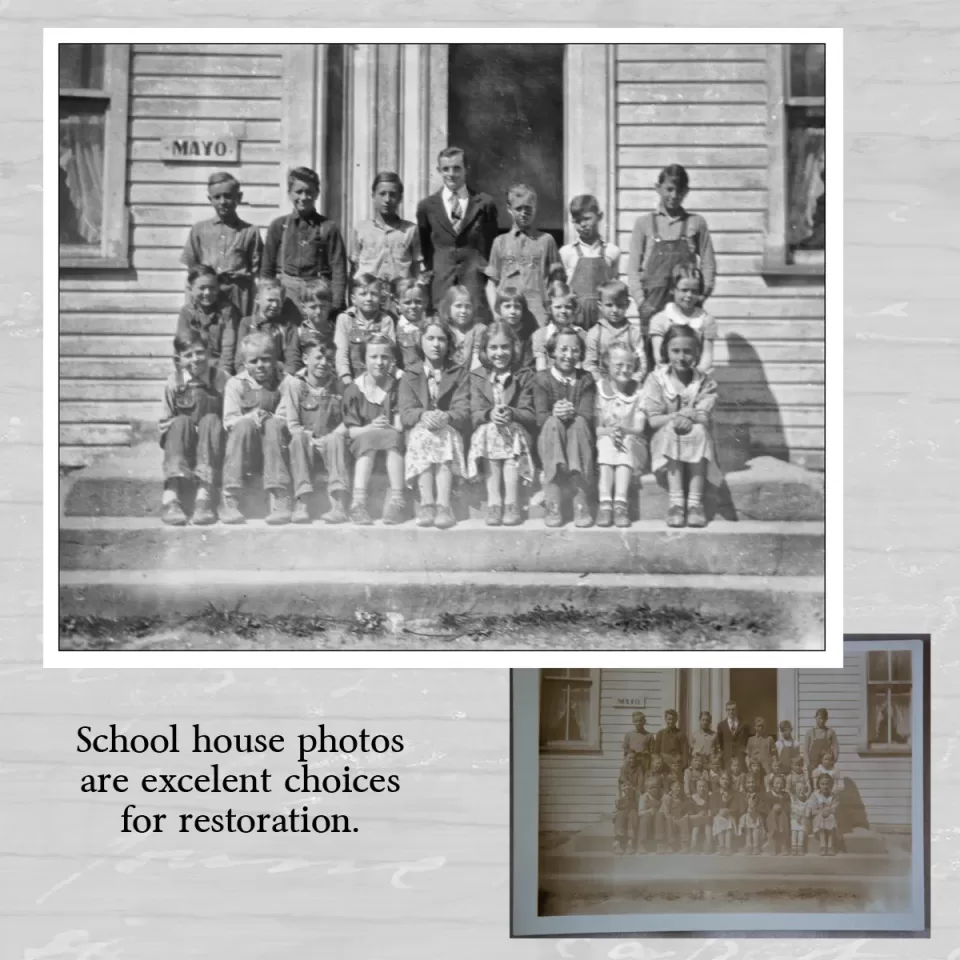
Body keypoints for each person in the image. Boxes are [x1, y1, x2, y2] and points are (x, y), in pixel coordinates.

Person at [627, 162, 716, 373]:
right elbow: (633, 269)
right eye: (669, 189)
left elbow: (708, 263)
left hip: (685, 303)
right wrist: (641, 302)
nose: (674, 195)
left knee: (685, 359)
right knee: (653, 363)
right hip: (653, 303)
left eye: (679, 190)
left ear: (686, 192)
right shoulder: (644, 223)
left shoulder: (696, 223)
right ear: (658, 188)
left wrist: (700, 296)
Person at [642, 325, 718, 529]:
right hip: (665, 444)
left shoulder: (703, 382)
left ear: (697, 353)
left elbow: (704, 417)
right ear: (666, 350)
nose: (682, 357)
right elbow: (653, 420)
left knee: (700, 430)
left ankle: (695, 503)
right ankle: (676, 503)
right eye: (676, 351)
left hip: (695, 439)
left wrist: (692, 416)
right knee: (672, 430)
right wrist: (678, 415)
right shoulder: (656, 380)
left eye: (688, 351)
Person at [399, 319, 471, 530]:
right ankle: (427, 502)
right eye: (430, 338)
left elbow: (463, 409)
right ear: (420, 341)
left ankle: (444, 505)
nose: (436, 344)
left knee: (443, 433)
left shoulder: (458, 373)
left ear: (449, 343)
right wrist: (422, 416)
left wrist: (447, 416)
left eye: (441, 339)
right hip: (420, 433)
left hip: (449, 431)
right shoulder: (410, 374)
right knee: (425, 434)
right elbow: (405, 412)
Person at [416, 146, 498, 319]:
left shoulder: (484, 203)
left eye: (456, 168)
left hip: (473, 283)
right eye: (446, 169)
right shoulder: (427, 206)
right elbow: (426, 247)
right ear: (439, 170)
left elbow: (490, 245)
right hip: (441, 282)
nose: (451, 174)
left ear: (466, 169)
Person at [467, 322, 536, 527]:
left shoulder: (523, 375)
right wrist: (490, 414)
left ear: (514, 347)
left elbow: (530, 414)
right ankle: (495, 501)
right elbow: (474, 414)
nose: (499, 353)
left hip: (517, 435)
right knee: (490, 431)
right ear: (485, 350)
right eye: (493, 348)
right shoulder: (478, 376)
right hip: (488, 436)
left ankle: (511, 502)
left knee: (507, 432)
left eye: (505, 347)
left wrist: (512, 413)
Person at [220, 332, 291, 525]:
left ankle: (280, 496)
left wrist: (270, 418)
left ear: (276, 359)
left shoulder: (286, 383)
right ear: (244, 363)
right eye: (254, 361)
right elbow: (229, 421)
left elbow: (287, 417)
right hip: (247, 451)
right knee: (242, 424)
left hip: (276, 450)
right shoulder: (236, 384)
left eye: (266, 360)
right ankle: (230, 496)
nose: (260, 365)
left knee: (275, 424)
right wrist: (251, 418)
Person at [277, 339, 350, 525]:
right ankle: (302, 502)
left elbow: (347, 421)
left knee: (337, 438)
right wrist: (311, 439)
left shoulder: (339, 386)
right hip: (305, 445)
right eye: (318, 357)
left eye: (329, 358)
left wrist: (330, 437)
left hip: (331, 446)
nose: (324, 363)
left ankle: (338, 505)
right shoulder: (295, 385)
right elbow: (292, 424)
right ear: (305, 358)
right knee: (298, 437)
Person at [261, 166, 348, 321]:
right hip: (287, 294)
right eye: (298, 192)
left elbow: (338, 270)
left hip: (318, 296)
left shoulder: (328, 227)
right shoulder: (278, 226)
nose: (304, 197)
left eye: (309, 192)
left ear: (317, 194)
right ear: (289, 193)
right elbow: (267, 271)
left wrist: (336, 306)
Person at [158, 331, 225, 526]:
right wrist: (185, 430)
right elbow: (164, 423)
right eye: (188, 355)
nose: (195, 359)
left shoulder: (220, 378)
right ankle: (171, 497)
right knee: (180, 422)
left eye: (200, 353)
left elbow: (229, 416)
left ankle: (203, 498)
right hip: (182, 445)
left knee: (212, 420)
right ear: (178, 359)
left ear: (209, 352)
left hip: (210, 445)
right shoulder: (174, 381)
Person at [533, 329, 596, 528]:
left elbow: (586, 415)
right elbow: (540, 417)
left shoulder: (586, 379)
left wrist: (569, 411)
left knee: (578, 423)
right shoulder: (541, 379)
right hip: (551, 438)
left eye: (575, 350)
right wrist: (555, 412)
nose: (569, 356)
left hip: (579, 438)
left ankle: (580, 499)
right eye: (563, 349)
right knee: (552, 423)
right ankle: (553, 499)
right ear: (552, 351)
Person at [341, 334, 405, 525]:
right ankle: (358, 504)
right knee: (368, 439)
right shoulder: (354, 390)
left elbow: (399, 425)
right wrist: (370, 428)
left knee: (393, 437)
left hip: (390, 441)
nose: (379, 362)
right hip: (362, 444)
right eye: (373, 357)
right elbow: (351, 431)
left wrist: (386, 427)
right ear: (364, 360)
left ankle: (397, 501)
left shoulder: (398, 386)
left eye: (385, 357)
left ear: (392, 360)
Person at [180, 171, 263, 319]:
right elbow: (192, 272)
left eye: (228, 196)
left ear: (239, 197)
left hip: (239, 296)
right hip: (208, 295)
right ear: (210, 199)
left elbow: (257, 272)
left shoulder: (250, 231)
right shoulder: (199, 230)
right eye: (217, 197)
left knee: (238, 335)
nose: (223, 201)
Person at [485, 183, 561, 328]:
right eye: (518, 208)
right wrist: (497, 314)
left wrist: (551, 312)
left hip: (538, 315)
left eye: (528, 208)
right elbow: (491, 284)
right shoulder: (500, 242)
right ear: (509, 209)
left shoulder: (546, 241)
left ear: (535, 208)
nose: (524, 212)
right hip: (508, 313)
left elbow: (556, 283)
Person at [594, 343, 648, 528]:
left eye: (629, 366)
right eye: (619, 365)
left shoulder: (639, 390)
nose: (625, 370)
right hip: (605, 443)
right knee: (608, 443)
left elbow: (639, 428)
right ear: (607, 363)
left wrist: (623, 431)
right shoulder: (599, 389)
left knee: (625, 441)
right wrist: (611, 433)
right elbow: (596, 428)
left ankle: (620, 504)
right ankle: (605, 504)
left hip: (633, 444)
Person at [560, 193, 621, 331]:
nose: (583, 224)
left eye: (587, 219)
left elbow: (615, 289)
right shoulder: (566, 252)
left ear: (600, 216)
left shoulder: (612, 251)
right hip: (576, 320)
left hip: (604, 319)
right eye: (577, 220)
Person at [350, 171, 421, 286]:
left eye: (392, 194)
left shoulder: (411, 230)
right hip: (369, 294)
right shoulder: (361, 229)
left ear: (400, 198)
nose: (387, 200)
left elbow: (417, 268)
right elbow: (354, 267)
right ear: (373, 196)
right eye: (382, 194)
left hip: (400, 295)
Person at [649, 264, 718, 375]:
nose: (689, 295)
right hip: (666, 376)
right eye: (684, 290)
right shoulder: (660, 320)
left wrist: (694, 378)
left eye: (694, 291)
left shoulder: (706, 320)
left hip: (697, 376)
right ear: (673, 290)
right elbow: (659, 358)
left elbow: (707, 358)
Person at [175, 265, 240, 375]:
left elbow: (228, 348)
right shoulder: (186, 313)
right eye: (202, 288)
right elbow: (182, 347)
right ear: (191, 289)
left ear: (218, 288)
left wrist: (224, 374)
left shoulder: (227, 312)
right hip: (194, 368)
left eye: (212, 288)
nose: (207, 293)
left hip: (220, 370)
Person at [334, 273, 397, 385]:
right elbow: (341, 353)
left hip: (379, 381)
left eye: (374, 294)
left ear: (380, 297)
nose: (369, 298)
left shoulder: (386, 320)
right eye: (363, 294)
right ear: (353, 298)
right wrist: (347, 379)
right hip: (351, 380)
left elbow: (391, 356)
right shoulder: (345, 319)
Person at [235, 279, 301, 376]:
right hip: (252, 376)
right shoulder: (247, 323)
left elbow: (293, 358)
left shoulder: (288, 326)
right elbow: (240, 359)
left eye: (278, 301)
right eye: (270, 300)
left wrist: (285, 376)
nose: (274, 305)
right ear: (257, 299)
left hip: (279, 376)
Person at [584, 280, 645, 383]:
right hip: (602, 387)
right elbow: (589, 364)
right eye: (609, 305)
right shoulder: (595, 333)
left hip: (628, 385)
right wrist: (601, 383)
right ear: (600, 305)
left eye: (620, 305)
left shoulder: (633, 334)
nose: (615, 310)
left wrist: (633, 382)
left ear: (628, 305)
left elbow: (642, 363)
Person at [532, 281, 587, 372]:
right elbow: (541, 368)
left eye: (568, 307)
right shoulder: (542, 335)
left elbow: (580, 366)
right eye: (558, 307)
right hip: (549, 382)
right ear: (549, 308)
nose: (563, 311)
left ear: (574, 309)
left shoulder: (581, 334)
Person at [438, 285, 483, 372]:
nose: (463, 311)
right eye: (458, 306)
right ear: (448, 308)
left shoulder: (479, 330)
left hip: (472, 375)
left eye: (467, 306)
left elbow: (477, 361)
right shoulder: (443, 329)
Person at [494, 286, 538, 372]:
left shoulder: (527, 334)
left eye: (517, 307)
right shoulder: (495, 332)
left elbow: (529, 362)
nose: (513, 311)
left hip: (523, 375)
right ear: (499, 309)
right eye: (507, 306)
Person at [393, 278, 429, 371]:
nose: (413, 306)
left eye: (418, 301)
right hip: (406, 379)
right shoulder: (395, 329)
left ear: (426, 302)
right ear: (398, 304)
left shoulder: (430, 326)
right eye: (407, 302)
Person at [613, 752, 643, 855]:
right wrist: (628, 788)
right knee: (621, 815)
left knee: (633, 815)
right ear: (626, 759)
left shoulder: (639, 770)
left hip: (634, 800)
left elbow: (640, 786)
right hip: (624, 800)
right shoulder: (623, 769)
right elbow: (623, 782)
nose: (632, 760)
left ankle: (630, 842)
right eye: (629, 758)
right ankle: (618, 842)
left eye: (634, 758)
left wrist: (633, 790)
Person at [807, 772, 840, 856]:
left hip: (829, 818)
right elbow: (813, 811)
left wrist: (828, 810)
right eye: (822, 784)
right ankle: (822, 845)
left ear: (830, 785)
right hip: (818, 821)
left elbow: (834, 809)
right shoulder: (814, 795)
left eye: (827, 784)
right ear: (818, 784)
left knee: (831, 816)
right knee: (820, 817)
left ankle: (830, 845)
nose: (825, 786)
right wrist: (822, 812)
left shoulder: (833, 796)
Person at [297, 280, 337, 351]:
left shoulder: (337, 333)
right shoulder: (299, 333)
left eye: (323, 306)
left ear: (330, 306)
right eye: (313, 307)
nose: (318, 311)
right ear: (303, 307)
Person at [805, 708, 840, 774]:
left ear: (826, 719)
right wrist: (808, 764)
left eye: (824, 719)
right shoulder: (809, 732)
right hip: (813, 764)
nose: (822, 721)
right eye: (820, 718)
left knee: (826, 783)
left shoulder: (830, 732)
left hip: (826, 765)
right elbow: (805, 750)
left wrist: (833, 761)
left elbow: (835, 747)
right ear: (815, 718)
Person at [685, 776, 714, 854]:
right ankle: (693, 845)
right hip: (695, 822)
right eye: (699, 786)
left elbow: (711, 811)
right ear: (696, 787)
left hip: (706, 822)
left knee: (708, 823)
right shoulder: (692, 799)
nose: (702, 788)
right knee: (696, 824)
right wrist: (698, 816)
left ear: (707, 787)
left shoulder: (709, 797)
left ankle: (709, 844)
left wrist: (708, 813)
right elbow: (690, 816)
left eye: (704, 786)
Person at [712, 786, 737, 856]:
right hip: (719, 815)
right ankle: (721, 846)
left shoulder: (733, 793)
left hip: (729, 815)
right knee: (718, 821)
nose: (725, 781)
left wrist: (728, 810)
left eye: (726, 779)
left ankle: (728, 847)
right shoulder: (715, 794)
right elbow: (713, 806)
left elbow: (735, 808)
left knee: (729, 823)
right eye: (722, 779)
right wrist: (719, 810)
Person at [791, 778, 812, 856]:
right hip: (794, 819)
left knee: (801, 832)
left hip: (802, 820)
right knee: (794, 831)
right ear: (795, 790)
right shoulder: (793, 800)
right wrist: (795, 816)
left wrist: (803, 816)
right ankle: (794, 846)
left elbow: (807, 812)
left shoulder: (806, 801)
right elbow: (791, 811)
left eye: (803, 789)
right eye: (799, 789)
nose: (801, 791)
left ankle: (800, 846)